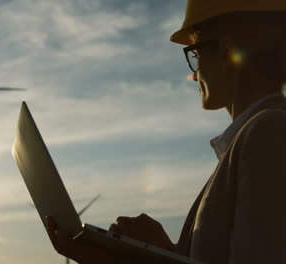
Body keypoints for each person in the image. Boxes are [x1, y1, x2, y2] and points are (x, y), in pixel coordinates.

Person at [46, 1, 286, 263]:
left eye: (194, 53)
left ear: (227, 52)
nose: (194, 76)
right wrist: (159, 254)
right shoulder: (255, 139)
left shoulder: (267, 132)